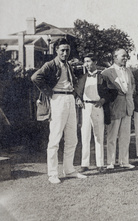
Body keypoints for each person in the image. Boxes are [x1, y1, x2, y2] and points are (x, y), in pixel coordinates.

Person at [31, 38, 87, 184]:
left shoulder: (68, 64)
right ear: (56, 50)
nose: (65, 52)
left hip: (70, 100)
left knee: (72, 138)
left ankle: (69, 170)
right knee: (55, 138)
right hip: (57, 99)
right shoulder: (50, 64)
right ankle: (53, 173)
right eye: (62, 50)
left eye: (67, 50)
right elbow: (35, 77)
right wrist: (49, 92)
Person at [74, 53, 117, 173]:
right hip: (85, 107)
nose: (86, 64)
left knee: (99, 136)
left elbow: (113, 92)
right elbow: (77, 92)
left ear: (95, 62)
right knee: (85, 135)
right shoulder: (82, 78)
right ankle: (84, 163)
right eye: (85, 62)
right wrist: (78, 99)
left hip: (98, 107)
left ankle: (100, 164)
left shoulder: (103, 77)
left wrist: (103, 100)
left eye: (88, 61)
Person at [101, 48, 135, 169]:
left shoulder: (129, 71)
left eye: (126, 56)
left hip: (127, 107)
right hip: (114, 107)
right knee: (112, 136)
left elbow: (132, 86)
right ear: (115, 57)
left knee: (125, 137)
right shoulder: (106, 72)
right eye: (123, 56)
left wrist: (130, 99)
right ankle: (110, 162)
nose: (125, 58)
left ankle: (124, 161)